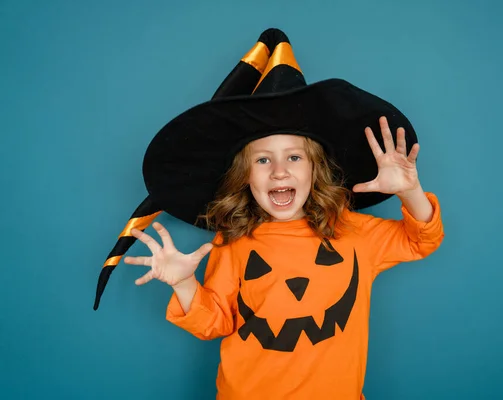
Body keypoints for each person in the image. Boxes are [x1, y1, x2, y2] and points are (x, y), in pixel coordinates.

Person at [95, 28, 444, 400]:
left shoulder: (353, 232)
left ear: (316, 169)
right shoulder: (232, 241)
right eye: (263, 160)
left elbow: (420, 239)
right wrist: (185, 284)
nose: (280, 171)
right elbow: (216, 322)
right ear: (245, 176)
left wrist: (411, 192)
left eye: (294, 157)